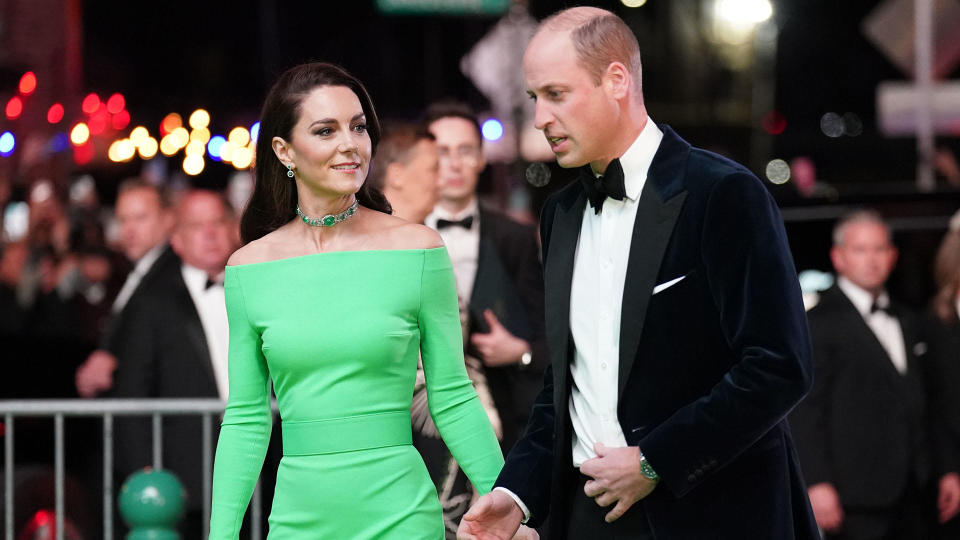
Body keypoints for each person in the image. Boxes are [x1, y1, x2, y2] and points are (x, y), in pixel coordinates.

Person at [458, 7, 817, 539]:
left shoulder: (721, 193)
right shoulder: (561, 213)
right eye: (535, 99)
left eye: (556, 94)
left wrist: (655, 460)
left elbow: (779, 365)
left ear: (616, 81)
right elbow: (564, 389)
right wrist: (516, 495)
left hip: (711, 514)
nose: (539, 118)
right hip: (587, 519)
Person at [207, 62, 528, 540]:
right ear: (283, 150)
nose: (350, 144)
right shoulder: (248, 269)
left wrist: (505, 508)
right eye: (325, 130)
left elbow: (453, 396)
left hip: (403, 517)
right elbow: (247, 418)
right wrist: (222, 534)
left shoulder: (417, 250)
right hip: (298, 521)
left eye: (358, 127)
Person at [796, 210, 960, 540]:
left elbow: (929, 403)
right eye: (860, 250)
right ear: (838, 257)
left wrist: (946, 470)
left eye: (879, 249)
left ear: (893, 256)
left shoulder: (911, 320)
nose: (871, 260)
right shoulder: (816, 323)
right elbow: (805, 410)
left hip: (916, 491)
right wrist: (816, 482)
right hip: (852, 495)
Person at [110, 189, 235, 540]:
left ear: (234, 228)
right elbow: (132, 393)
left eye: (217, 222)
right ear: (176, 240)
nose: (210, 233)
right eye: (197, 226)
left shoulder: (256, 291)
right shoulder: (151, 304)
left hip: (261, 469)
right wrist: (145, 473)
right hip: (184, 478)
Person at [424, 101, 547, 454]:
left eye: (466, 151)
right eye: (442, 151)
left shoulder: (516, 238)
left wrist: (520, 351)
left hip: (504, 420)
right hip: (420, 423)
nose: (454, 163)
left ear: (481, 158)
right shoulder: (399, 235)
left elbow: (547, 332)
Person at [74, 179, 177, 398]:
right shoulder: (138, 273)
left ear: (168, 219)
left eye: (140, 218)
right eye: (122, 219)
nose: (129, 230)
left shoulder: (173, 277)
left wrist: (114, 364)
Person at [367, 121, 440, 224]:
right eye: (434, 169)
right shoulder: (360, 237)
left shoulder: (431, 237)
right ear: (397, 176)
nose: (442, 181)